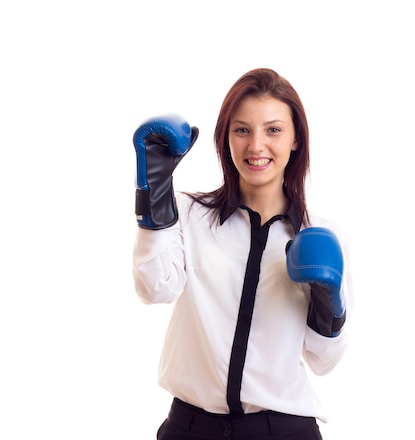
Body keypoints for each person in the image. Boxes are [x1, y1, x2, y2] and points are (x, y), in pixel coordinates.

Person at [132, 68, 353, 440]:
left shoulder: (319, 235)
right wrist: (154, 197)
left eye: (273, 130)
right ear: (225, 137)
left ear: (296, 138)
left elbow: (323, 361)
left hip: (283, 429)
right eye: (242, 130)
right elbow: (155, 288)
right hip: (191, 428)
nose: (256, 146)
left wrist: (327, 301)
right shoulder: (188, 213)